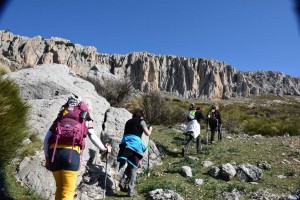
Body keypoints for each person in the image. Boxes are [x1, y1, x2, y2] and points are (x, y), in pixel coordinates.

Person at [43, 94, 112, 200]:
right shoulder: (86, 117)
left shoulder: (61, 115)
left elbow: (47, 138)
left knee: (60, 188)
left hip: (54, 153)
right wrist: (103, 149)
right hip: (71, 154)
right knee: (68, 190)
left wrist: (47, 158)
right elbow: (92, 136)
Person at [117, 109, 152, 197]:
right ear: (141, 116)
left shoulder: (128, 121)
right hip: (134, 145)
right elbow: (147, 134)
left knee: (130, 164)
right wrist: (150, 129)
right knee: (134, 167)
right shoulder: (142, 121)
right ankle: (131, 190)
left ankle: (122, 181)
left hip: (125, 144)